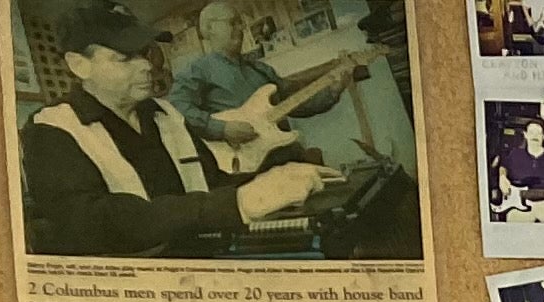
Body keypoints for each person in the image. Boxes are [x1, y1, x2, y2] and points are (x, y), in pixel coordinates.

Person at [19, 6, 338, 260]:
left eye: (143, 53)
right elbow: (87, 223)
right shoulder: (50, 127)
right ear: (79, 65)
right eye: (124, 57)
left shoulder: (167, 115)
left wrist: (275, 179)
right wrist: (239, 202)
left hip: (205, 257)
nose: (145, 65)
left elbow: (210, 184)